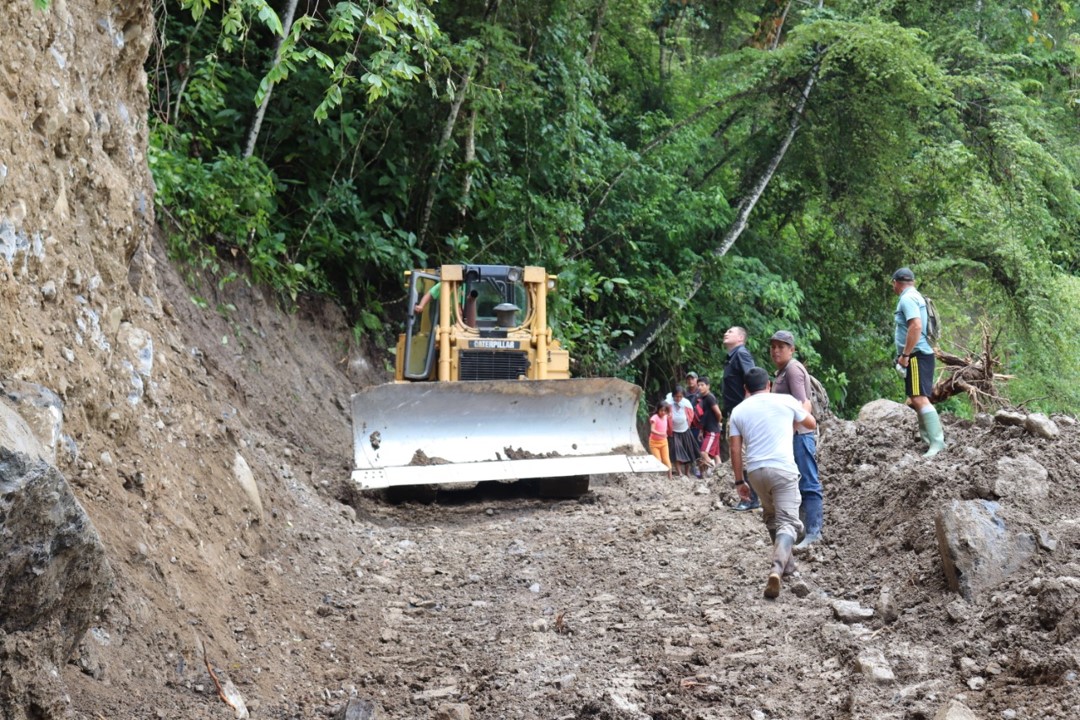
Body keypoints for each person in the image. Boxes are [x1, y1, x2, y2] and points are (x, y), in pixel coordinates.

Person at [729, 367, 817, 599]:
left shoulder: (738, 411)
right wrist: (804, 408)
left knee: (771, 516)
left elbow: (735, 448)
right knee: (788, 522)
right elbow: (811, 424)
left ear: (746, 389)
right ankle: (777, 567)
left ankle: (788, 567)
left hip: (756, 472)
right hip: (783, 469)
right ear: (768, 384)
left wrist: (740, 480)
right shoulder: (786, 400)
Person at [769, 330, 824, 548]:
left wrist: (790, 431)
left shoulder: (792, 369)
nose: (775, 350)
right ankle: (801, 531)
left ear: (791, 350)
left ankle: (813, 533)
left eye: (781, 347)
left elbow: (805, 404)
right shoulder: (782, 371)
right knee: (797, 484)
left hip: (800, 436)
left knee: (809, 482)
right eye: (773, 346)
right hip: (792, 436)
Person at [891, 267, 945, 457]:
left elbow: (916, 326)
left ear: (896, 283)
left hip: (916, 354)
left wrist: (905, 355)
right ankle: (928, 440)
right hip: (921, 353)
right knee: (918, 397)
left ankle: (937, 443)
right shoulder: (916, 296)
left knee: (919, 398)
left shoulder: (907, 299)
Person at [722, 326, 759, 510]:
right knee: (738, 454)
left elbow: (753, 380)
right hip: (735, 413)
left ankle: (751, 498)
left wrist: (746, 407)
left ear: (740, 338)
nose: (725, 333)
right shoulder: (732, 357)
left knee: (742, 454)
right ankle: (749, 497)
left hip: (741, 413)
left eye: (730, 331)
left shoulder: (741, 354)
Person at [668, 386, 697, 477]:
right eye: (676, 396)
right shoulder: (668, 404)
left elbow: (691, 415)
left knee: (688, 451)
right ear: (673, 396)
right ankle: (679, 472)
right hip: (674, 432)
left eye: (680, 397)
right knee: (677, 452)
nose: (678, 399)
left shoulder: (686, 404)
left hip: (685, 430)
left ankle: (687, 472)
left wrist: (687, 423)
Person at [696, 377, 723, 472]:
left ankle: (715, 472)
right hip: (708, 429)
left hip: (712, 430)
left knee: (703, 452)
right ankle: (721, 473)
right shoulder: (703, 398)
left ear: (708, 386)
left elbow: (718, 413)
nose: (700, 387)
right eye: (698, 385)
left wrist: (718, 422)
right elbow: (705, 416)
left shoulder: (710, 398)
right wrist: (701, 431)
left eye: (702, 385)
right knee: (716, 455)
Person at [648, 401, 673, 479]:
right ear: (658, 410)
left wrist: (670, 414)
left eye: (665, 411)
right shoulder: (655, 418)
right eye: (661, 410)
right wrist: (660, 433)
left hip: (663, 442)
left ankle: (670, 477)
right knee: (658, 460)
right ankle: (656, 477)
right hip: (654, 443)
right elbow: (652, 430)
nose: (663, 412)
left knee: (666, 460)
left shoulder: (665, 416)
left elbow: (669, 415)